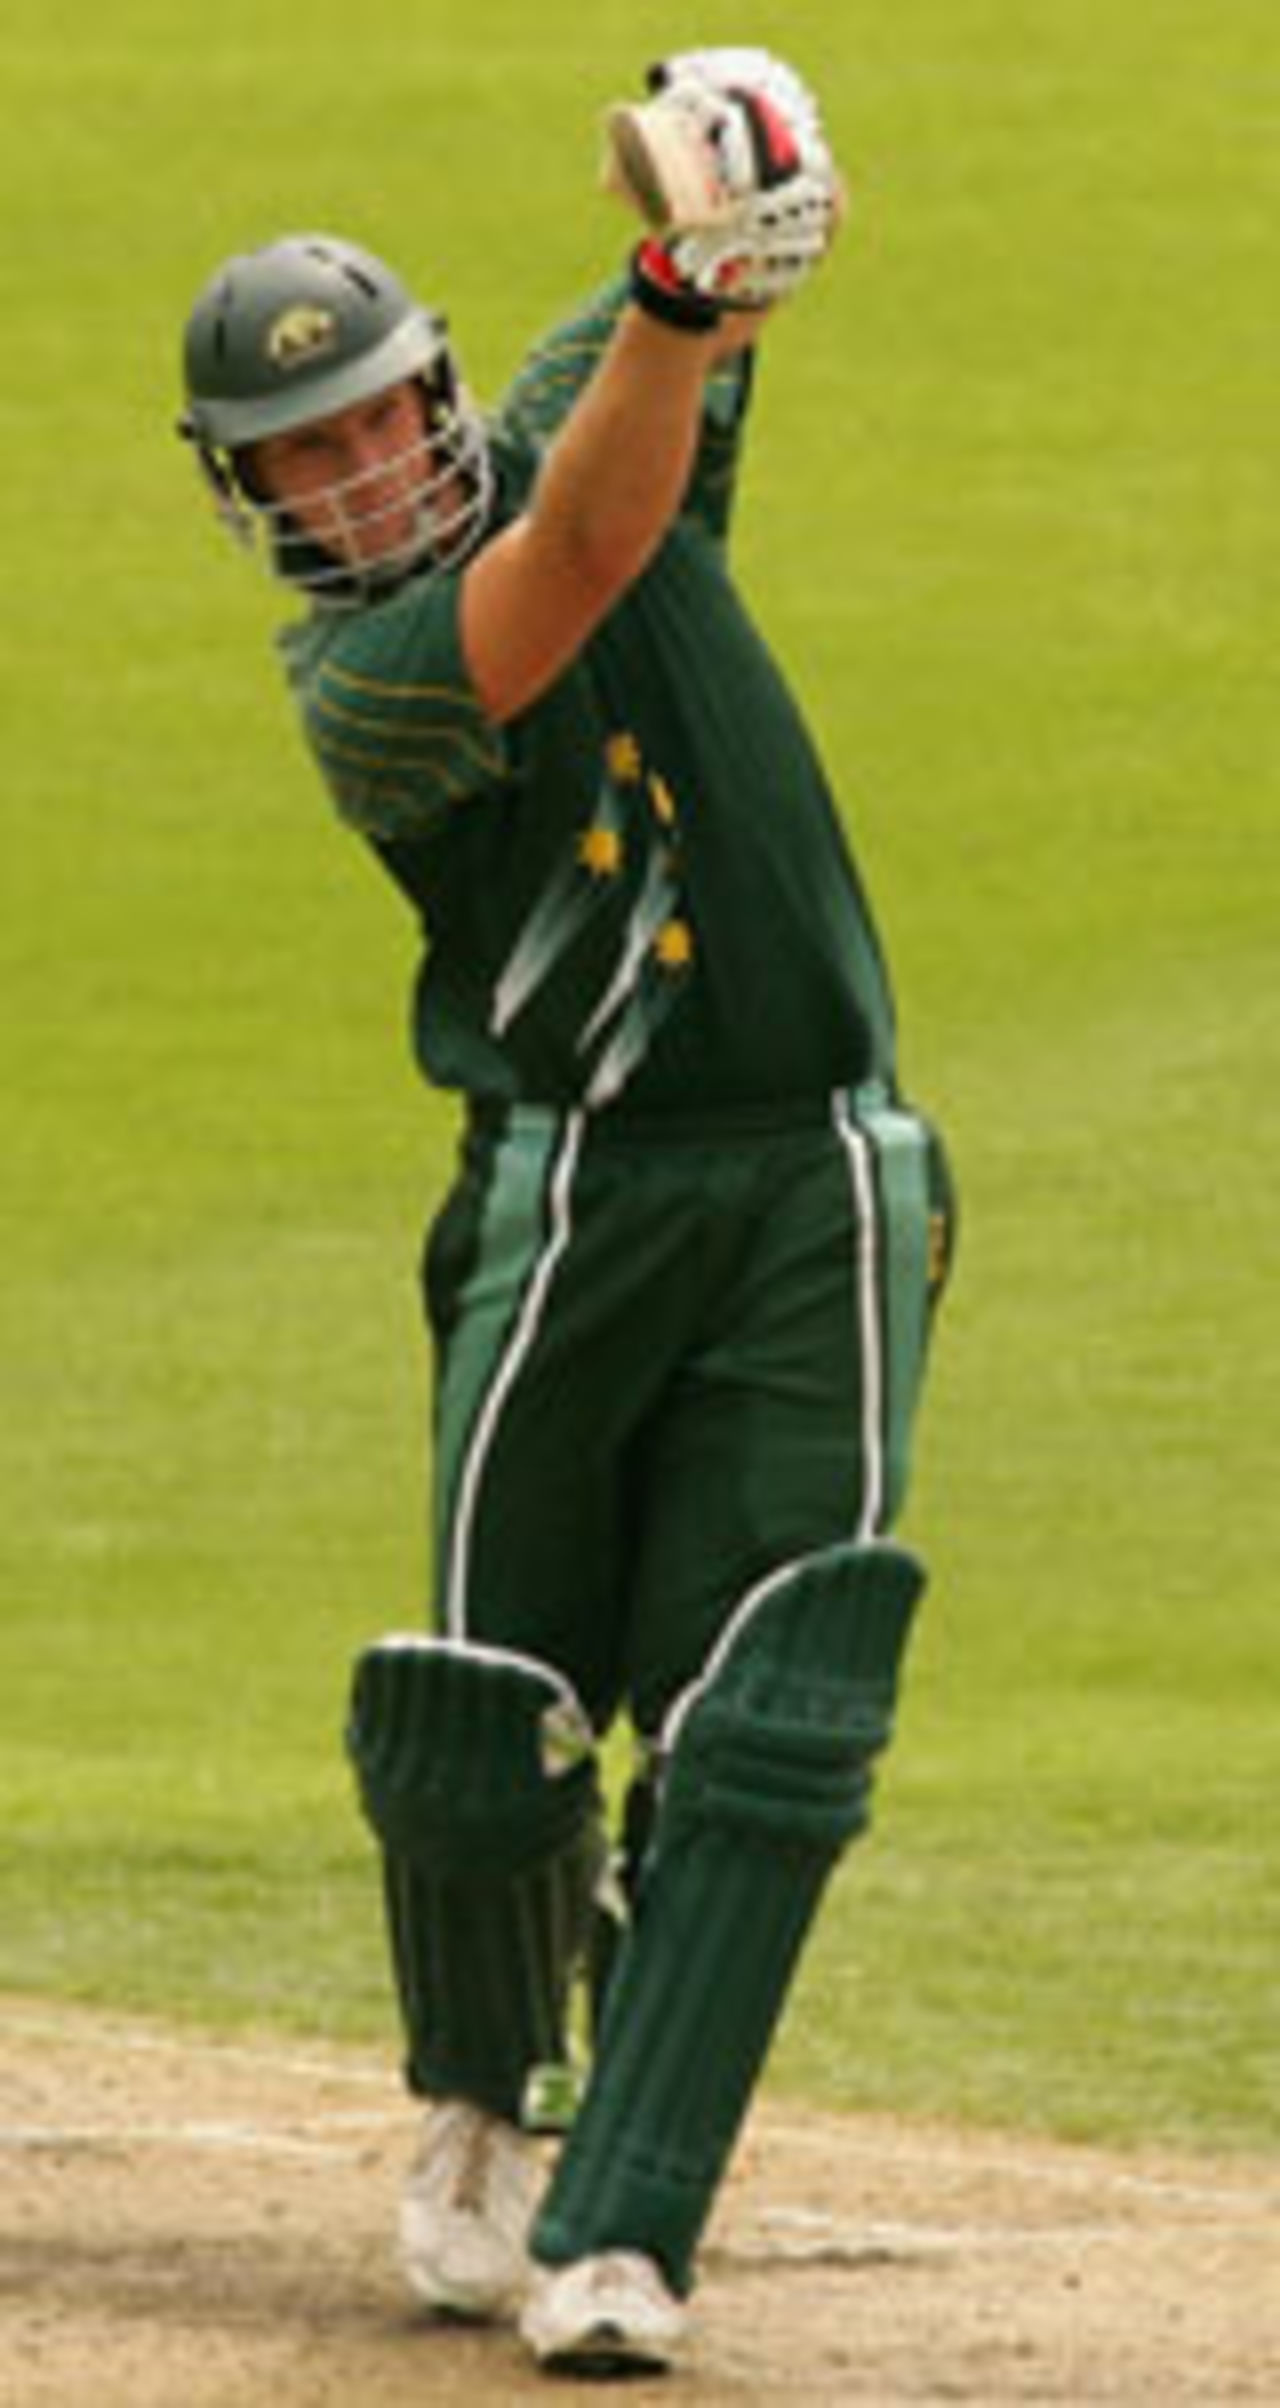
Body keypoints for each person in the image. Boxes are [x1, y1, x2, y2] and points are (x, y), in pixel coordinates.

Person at [179, 46, 955, 2379]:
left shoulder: (551, 403)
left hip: (814, 1166)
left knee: (780, 1711)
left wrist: (742, 150)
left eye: (372, 418)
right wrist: (676, 276)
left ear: (428, 392)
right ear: (254, 503)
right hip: (565, 1186)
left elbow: (705, 296)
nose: (349, 471)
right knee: (474, 1715)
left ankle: (624, 2228)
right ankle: (477, 2111)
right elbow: (595, 538)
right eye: (293, 460)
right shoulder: (368, 688)